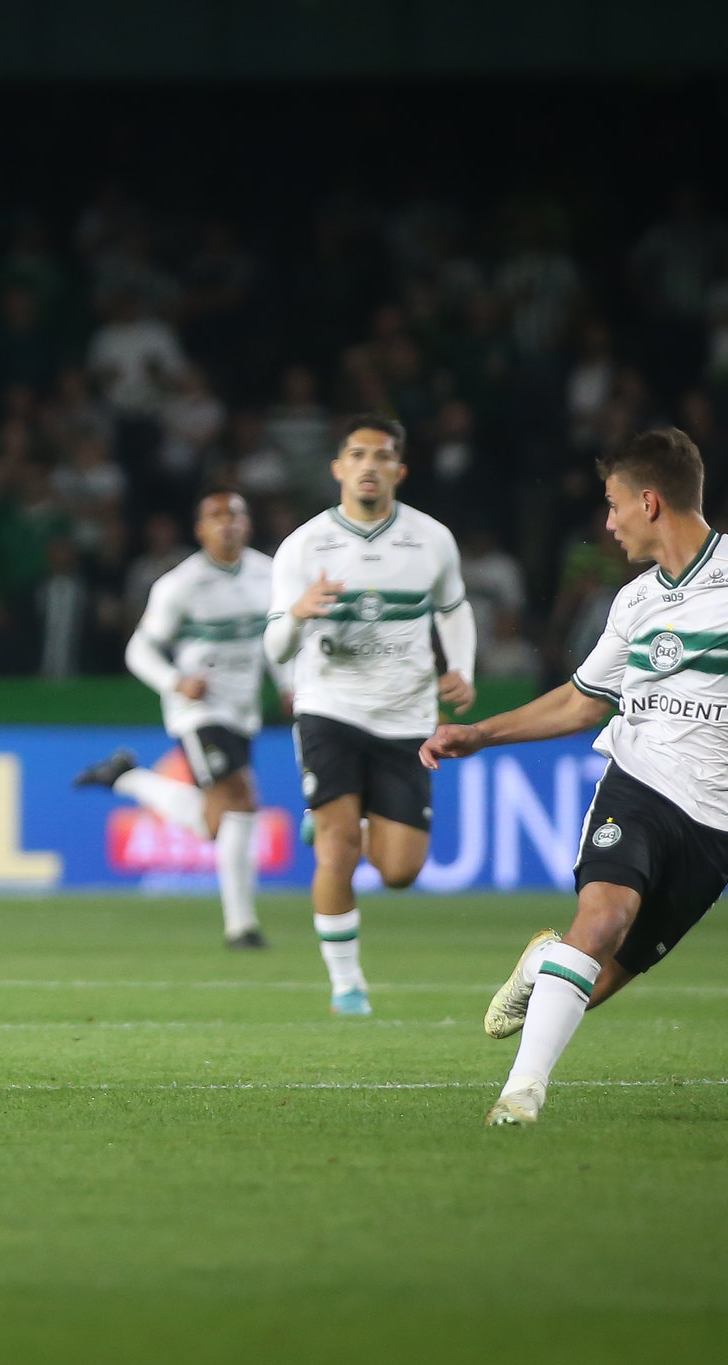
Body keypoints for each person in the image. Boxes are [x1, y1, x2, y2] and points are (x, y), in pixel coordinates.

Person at [419, 427, 728, 1127]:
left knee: (604, 972)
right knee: (603, 918)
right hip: (639, 779)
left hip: (723, 815)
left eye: (612, 506)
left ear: (649, 501)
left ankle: (544, 963)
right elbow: (583, 699)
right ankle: (520, 1097)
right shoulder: (636, 600)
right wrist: (482, 733)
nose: (606, 524)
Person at [262, 417, 477, 1015]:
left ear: (399, 471)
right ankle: (346, 985)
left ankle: (346, 821)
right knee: (337, 850)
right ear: (338, 468)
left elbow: (453, 609)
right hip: (329, 707)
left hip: (407, 715)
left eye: (382, 456)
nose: (369, 466)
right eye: (357, 454)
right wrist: (299, 614)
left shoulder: (431, 539)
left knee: (400, 869)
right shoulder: (304, 547)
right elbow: (274, 648)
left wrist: (461, 666)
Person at [75, 492, 284, 949]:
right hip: (200, 711)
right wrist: (176, 681)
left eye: (235, 515)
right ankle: (241, 928)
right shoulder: (180, 585)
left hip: (243, 711)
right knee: (243, 798)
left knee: (217, 822)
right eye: (215, 516)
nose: (226, 524)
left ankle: (127, 779)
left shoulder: (269, 575)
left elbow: (276, 639)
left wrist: (287, 682)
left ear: (248, 526)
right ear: (200, 530)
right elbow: (138, 649)